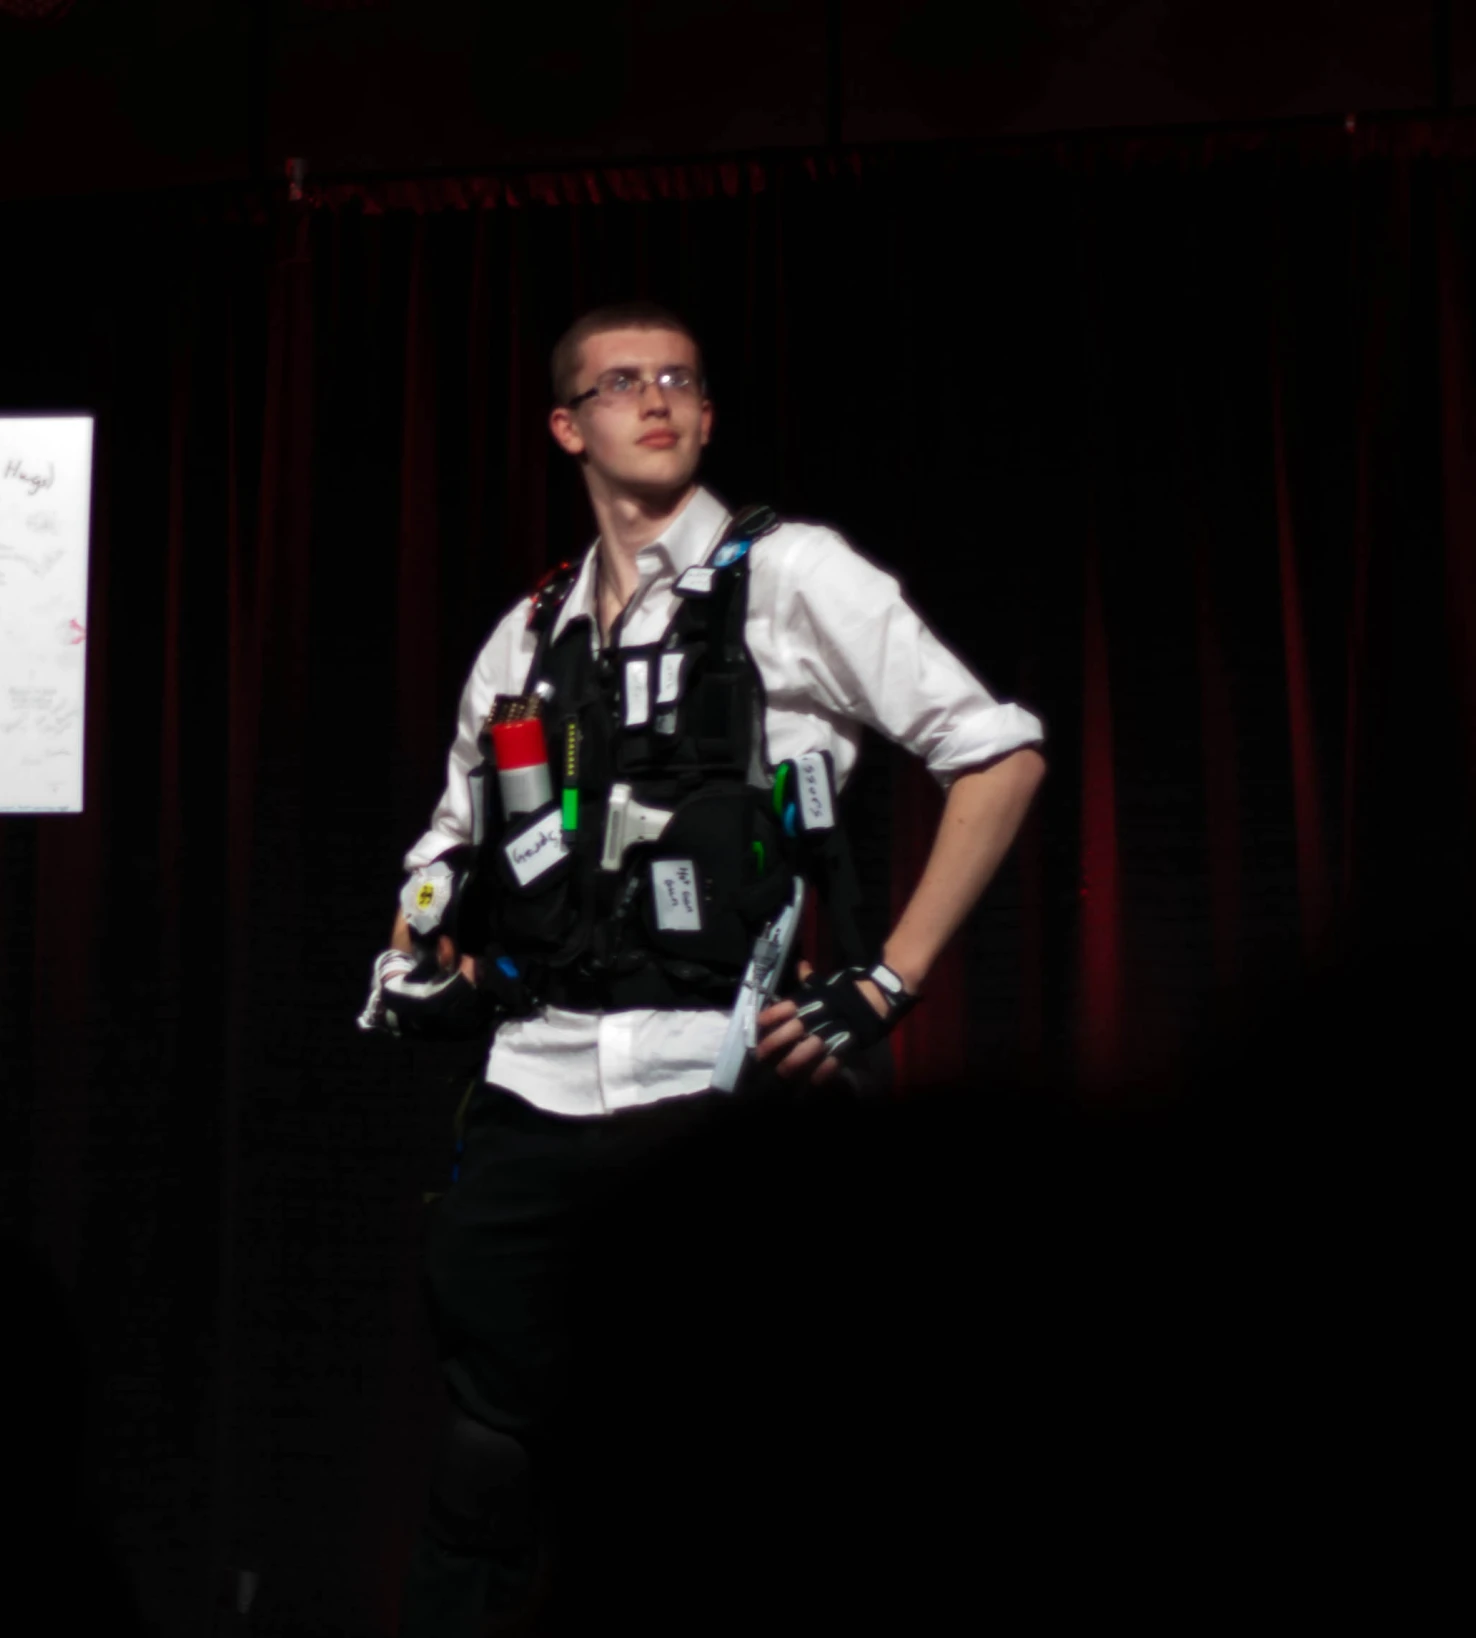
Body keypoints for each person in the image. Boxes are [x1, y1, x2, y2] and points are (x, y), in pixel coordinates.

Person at [358, 301, 1047, 1635]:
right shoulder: (527, 633)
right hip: (532, 1089)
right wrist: (412, 959)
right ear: (568, 426)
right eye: (619, 382)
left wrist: (885, 980)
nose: (655, 397)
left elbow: (996, 751)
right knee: (487, 1464)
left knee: (743, 1474)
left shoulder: (791, 577)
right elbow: (443, 848)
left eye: (678, 377)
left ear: (707, 413)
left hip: (719, 1089)